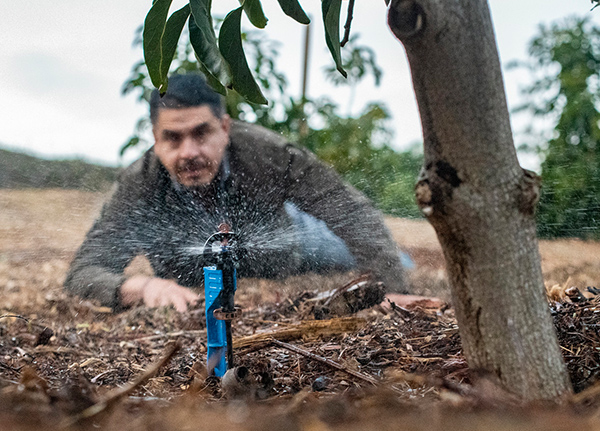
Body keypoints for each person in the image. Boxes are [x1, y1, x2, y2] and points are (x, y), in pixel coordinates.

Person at [64, 73, 408, 312]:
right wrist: (143, 287)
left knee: (357, 252)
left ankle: (404, 259)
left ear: (225, 128)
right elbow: (84, 271)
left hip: (294, 244)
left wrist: (394, 287)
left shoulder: (269, 153)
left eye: (201, 134)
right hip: (199, 277)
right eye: (172, 138)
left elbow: (348, 210)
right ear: (155, 138)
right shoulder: (139, 184)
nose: (188, 152)